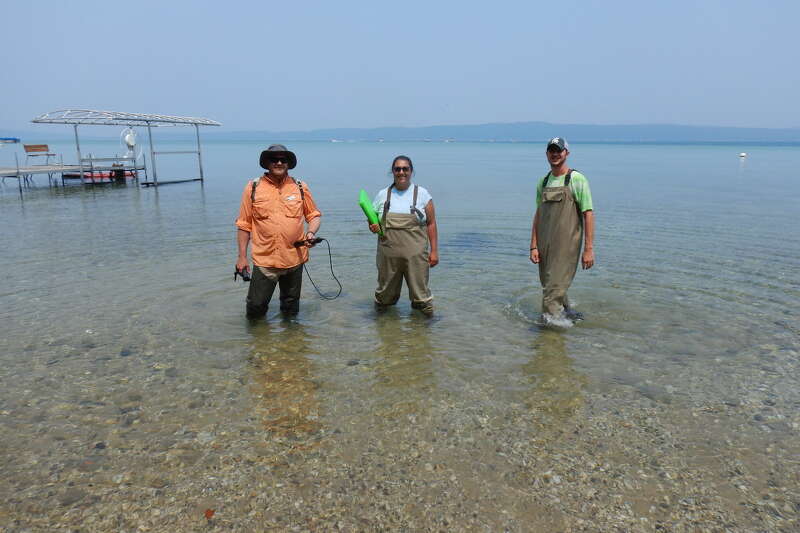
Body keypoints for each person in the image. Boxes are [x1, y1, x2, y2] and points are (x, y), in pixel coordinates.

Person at [235, 144, 322, 319]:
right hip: (265, 260)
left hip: (294, 259)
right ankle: (258, 342)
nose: (279, 163)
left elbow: (314, 215)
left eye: (283, 159)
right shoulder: (252, 187)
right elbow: (244, 225)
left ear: (289, 163)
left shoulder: (300, 187)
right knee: (255, 309)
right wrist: (242, 257)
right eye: (274, 159)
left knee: (291, 310)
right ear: (267, 163)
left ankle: (290, 343)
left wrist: (311, 233)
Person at [529, 137, 595, 323]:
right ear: (547, 153)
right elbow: (538, 215)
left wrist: (588, 249)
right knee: (550, 286)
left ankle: (550, 338)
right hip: (544, 245)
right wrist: (533, 245)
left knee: (552, 292)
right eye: (551, 150)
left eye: (559, 150)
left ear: (567, 153)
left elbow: (588, 214)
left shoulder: (576, 179)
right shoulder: (543, 182)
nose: (555, 154)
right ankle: (568, 315)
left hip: (566, 246)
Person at [369, 155, 439, 316]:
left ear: (411, 171)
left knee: (421, 296)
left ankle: (423, 334)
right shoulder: (382, 195)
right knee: (384, 296)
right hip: (388, 255)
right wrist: (373, 227)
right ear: (392, 171)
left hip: (416, 256)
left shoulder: (422, 194)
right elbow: (372, 220)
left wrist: (434, 251)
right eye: (397, 169)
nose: (401, 172)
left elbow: (431, 223)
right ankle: (384, 331)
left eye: (405, 169)